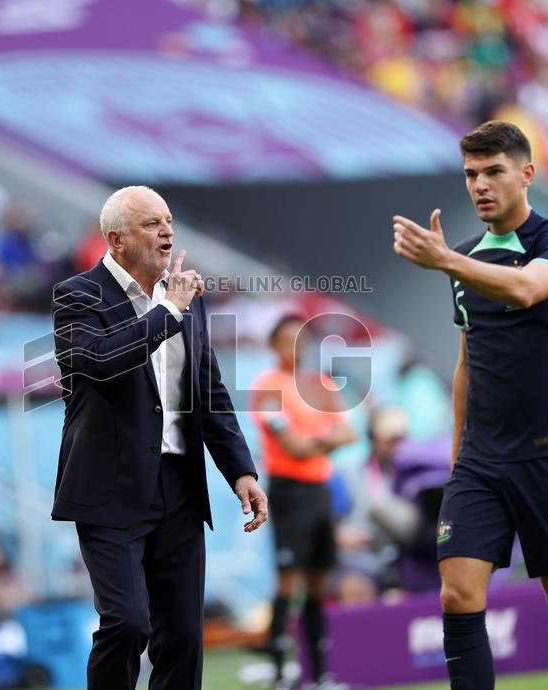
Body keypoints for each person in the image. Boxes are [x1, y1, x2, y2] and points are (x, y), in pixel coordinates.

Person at [393, 120, 548, 690]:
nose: (480, 185)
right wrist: (460, 456)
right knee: (457, 593)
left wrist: (446, 262)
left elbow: (527, 288)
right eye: (470, 175)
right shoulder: (462, 260)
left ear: (526, 174)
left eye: (493, 172)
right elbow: (467, 363)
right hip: (481, 463)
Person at [50, 185, 268, 690]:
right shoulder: (77, 294)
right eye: (151, 223)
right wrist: (167, 311)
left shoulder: (188, 301)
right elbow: (101, 363)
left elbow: (209, 393)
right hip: (109, 487)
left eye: (168, 220)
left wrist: (241, 470)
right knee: (127, 624)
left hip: (179, 488)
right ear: (117, 240)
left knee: (185, 637)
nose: (166, 230)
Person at [249, 314, 356, 690]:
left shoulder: (320, 384)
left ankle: (321, 675)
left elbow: (349, 433)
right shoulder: (267, 388)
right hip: (289, 490)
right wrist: (323, 440)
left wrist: (316, 443)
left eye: (300, 338)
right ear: (273, 345)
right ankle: (281, 673)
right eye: (285, 339)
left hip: (319, 489)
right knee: (288, 580)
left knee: (318, 582)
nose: (294, 346)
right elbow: (290, 445)